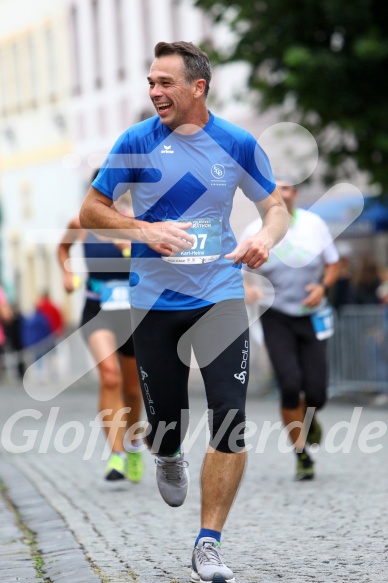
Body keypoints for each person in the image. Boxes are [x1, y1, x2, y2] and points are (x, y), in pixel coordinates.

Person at [79, 41, 289, 583]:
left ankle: (209, 544)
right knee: (167, 420)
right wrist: (145, 230)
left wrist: (265, 238)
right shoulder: (136, 141)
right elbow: (91, 210)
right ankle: (167, 451)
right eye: (151, 82)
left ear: (198, 87)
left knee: (230, 414)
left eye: (165, 83)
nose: (154, 92)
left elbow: (275, 207)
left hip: (219, 294)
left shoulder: (236, 142)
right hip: (153, 301)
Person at [241, 175, 340, 481]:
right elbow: (237, 268)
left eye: (285, 188)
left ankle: (311, 418)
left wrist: (323, 287)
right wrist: (246, 287)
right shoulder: (253, 230)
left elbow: (334, 263)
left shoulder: (314, 224)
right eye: (273, 189)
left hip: (311, 315)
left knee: (316, 392)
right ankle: (302, 455)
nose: (279, 194)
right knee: (288, 385)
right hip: (275, 316)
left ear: (295, 192)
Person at [57, 182, 144, 483]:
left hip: (133, 313)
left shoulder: (134, 222)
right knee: (110, 376)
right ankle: (116, 454)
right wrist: (67, 273)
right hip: (97, 312)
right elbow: (63, 248)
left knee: (134, 390)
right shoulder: (79, 223)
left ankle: (133, 444)